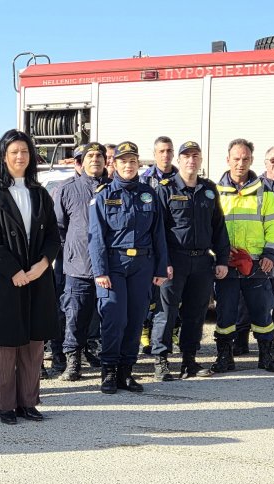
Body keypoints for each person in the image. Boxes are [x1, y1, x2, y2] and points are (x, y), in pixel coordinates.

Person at [0, 129, 60, 424]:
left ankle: (28, 402)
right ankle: (5, 405)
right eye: (14, 152)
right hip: (5, 280)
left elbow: (53, 235)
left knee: (33, 344)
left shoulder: (40, 194)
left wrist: (43, 264)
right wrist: (14, 271)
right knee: (5, 344)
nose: (20, 157)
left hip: (38, 277)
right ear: (3, 157)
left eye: (24, 151)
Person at [88, 141, 169, 394]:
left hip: (142, 265)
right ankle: (109, 371)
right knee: (114, 318)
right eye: (123, 161)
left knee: (135, 319)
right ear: (114, 164)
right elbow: (96, 236)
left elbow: (159, 234)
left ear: (138, 164)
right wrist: (100, 271)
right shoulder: (104, 195)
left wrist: (160, 268)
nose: (128, 165)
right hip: (114, 265)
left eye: (133, 161)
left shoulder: (149, 194)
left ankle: (126, 371)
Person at [151, 141, 230, 380]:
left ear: (201, 160)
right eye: (186, 156)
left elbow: (218, 227)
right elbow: (158, 231)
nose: (191, 160)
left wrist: (222, 259)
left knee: (196, 313)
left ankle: (189, 361)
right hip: (174, 261)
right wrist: (163, 262)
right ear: (179, 160)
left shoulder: (208, 189)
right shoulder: (166, 189)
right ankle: (161, 361)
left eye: (195, 156)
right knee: (166, 312)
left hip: (202, 261)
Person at [213, 139, 274, 374]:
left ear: (252, 160)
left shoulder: (264, 191)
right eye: (236, 159)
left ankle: (266, 356)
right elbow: (208, 229)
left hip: (257, 264)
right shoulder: (215, 192)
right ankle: (225, 357)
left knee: (262, 312)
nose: (240, 163)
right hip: (226, 265)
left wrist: (270, 254)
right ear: (228, 160)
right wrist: (219, 253)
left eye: (245, 159)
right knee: (225, 313)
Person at [55, 142, 110, 381]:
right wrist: (72, 250)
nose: (95, 159)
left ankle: (107, 361)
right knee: (75, 316)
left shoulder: (113, 189)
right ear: (82, 161)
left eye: (99, 156)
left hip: (109, 268)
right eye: (90, 156)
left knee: (108, 317)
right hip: (78, 266)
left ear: (106, 161)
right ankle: (73, 363)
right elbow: (59, 227)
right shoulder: (68, 190)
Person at [232, 146, 274, 356]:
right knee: (243, 302)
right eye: (273, 160)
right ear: (265, 162)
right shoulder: (254, 186)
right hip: (251, 257)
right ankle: (240, 341)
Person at [139, 136, 179, 355]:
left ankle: (171, 332)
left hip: (174, 245)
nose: (165, 155)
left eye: (169, 151)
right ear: (154, 154)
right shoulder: (144, 179)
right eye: (161, 151)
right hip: (150, 246)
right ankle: (146, 333)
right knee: (150, 295)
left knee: (172, 297)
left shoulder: (181, 178)